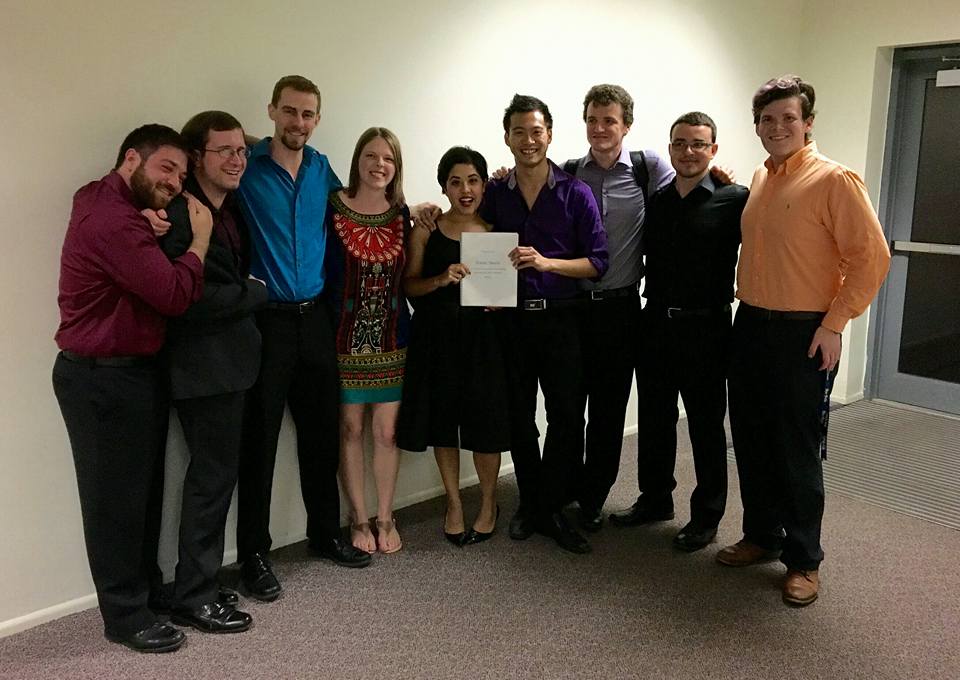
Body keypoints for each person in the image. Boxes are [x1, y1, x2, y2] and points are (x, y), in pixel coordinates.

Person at [719, 76, 890, 606]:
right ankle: (762, 535)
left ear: (808, 121)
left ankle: (803, 559)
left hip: (804, 331)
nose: (777, 128)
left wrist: (834, 323)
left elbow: (871, 258)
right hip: (749, 322)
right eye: (767, 120)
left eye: (788, 118)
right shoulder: (760, 178)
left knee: (795, 446)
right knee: (750, 436)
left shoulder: (835, 180)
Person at [52, 124, 212, 652]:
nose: (174, 182)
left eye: (182, 175)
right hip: (101, 376)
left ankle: (143, 595)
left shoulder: (99, 197)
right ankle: (124, 616)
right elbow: (172, 294)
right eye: (165, 168)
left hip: (131, 372)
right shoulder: (114, 221)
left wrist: (149, 229)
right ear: (130, 159)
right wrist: (200, 240)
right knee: (113, 503)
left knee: (141, 495)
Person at [237, 75, 371, 603]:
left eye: (308, 114)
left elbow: (360, 208)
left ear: (318, 119)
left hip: (315, 320)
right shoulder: (245, 165)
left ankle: (324, 534)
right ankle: (253, 555)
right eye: (289, 112)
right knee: (259, 442)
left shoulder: (321, 168)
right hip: (266, 323)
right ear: (272, 110)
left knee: (320, 436)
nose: (298, 123)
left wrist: (420, 210)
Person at [481, 94, 608, 554]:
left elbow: (597, 263)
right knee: (519, 416)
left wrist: (548, 263)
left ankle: (552, 506)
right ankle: (531, 503)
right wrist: (425, 212)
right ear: (507, 138)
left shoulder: (576, 192)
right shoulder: (496, 192)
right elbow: (469, 234)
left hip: (562, 321)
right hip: (510, 323)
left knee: (566, 416)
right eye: (519, 132)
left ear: (549, 134)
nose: (528, 140)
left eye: (536, 131)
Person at [157, 111, 267, 633]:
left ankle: (197, 581)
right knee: (209, 482)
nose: (236, 159)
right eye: (223, 151)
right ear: (196, 157)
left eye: (241, 150)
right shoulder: (182, 216)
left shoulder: (232, 206)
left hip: (232, 366)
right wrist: (254, 292)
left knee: (216, 479)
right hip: (203, 370)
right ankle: (195, 595)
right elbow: (186, 298)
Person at [560, 84, 674, 532]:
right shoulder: (568, 173)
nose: (600, 128)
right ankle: (564, 488)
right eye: (592, 119)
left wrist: (716, 174)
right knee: (568, 406)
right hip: (572, 308)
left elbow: (690, 186)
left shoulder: (650, 169)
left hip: (621, 311)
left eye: (609, 120)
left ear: (626, 124)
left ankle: (590, 500)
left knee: (608, 411)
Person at [636, 112, 747, 552]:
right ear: (670, 148)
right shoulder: (657, 199)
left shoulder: (735, 198)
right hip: (656, 321)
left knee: (704, 424)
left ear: (713, 150)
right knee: (655, 418)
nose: (688, 151)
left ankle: (707, 516)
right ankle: (656, 499)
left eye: (699, 144)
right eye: (680, 143)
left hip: (708, 327)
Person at [397, 146, 513, 546]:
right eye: (456, 181)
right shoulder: (426, 229)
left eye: (474, 180)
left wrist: (502, 299)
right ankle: (453, 503)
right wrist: (440, 280)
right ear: (443, 187)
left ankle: (487, 502)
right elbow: (409, 285)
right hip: (438, 338)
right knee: (443, 424)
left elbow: (514, 287)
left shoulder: (499, 230)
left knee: (486, 425)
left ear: (484, 184)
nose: (465, 189)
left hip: (485, 341)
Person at [325, 127, 410, 555]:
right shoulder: (333, 205)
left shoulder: (403, 213)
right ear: (358, 159)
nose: (380, 165)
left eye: (389, 159)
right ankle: (357, 517)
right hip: (342, 341)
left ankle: (385, 516)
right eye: (372, 156)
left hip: (392, 339)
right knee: (350, 428)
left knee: (387, 433)